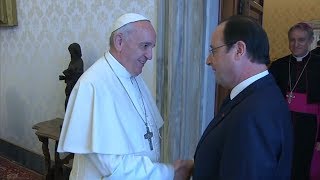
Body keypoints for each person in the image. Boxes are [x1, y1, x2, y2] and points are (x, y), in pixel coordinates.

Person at [57, 13, 193, 180]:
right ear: (119, 41)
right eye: (145, 46)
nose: (150, 55)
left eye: (152, 47)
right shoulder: (93, 85)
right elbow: (113, 167)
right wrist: (169, 173)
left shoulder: (134, 77)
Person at [193, 15, 293, 180]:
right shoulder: (251, 95)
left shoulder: (255, 112)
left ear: (239, 50)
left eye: (213, 51)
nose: (208, 61)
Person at [269, 22, 320, 180]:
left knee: (302, 165)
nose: (295, 44)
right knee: (280, 160)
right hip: (282, 122)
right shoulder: (278, 65)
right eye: (292, 40)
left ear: (311, 40)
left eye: (301, 40)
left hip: (309, 125)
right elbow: (269, 97)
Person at [59, 42, 84, 110]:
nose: (70, 54)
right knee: (67, 104)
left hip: (74, 87)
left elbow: (79, 75)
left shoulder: (79, 62)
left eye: (71, 52)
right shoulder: (72, 61)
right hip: (69, 86)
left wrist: (69, 73)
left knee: (72, 105)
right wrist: (65, 77)